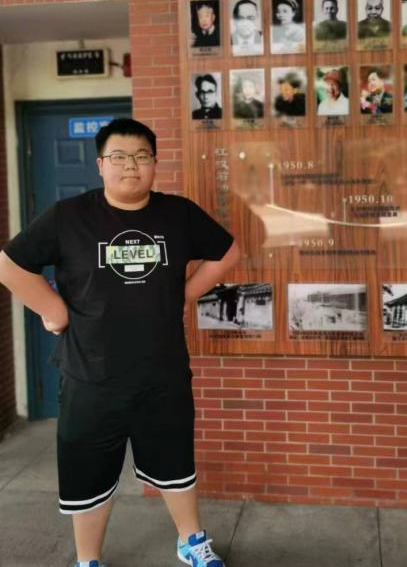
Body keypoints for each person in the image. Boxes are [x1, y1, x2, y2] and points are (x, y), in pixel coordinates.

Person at [0, 118, 240, 567]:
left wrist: (184, 294)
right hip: (90, 375)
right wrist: (54, 311)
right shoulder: (69, 216)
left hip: (162, 373)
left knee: (175, 464)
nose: (131, 165)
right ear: (100, 165)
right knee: (87, 474)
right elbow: (9, 265)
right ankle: (87, 559)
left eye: (142, 156)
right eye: (119, 156)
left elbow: (228, 253)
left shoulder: (178, 214)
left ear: (154, 163)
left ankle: (191, 541)